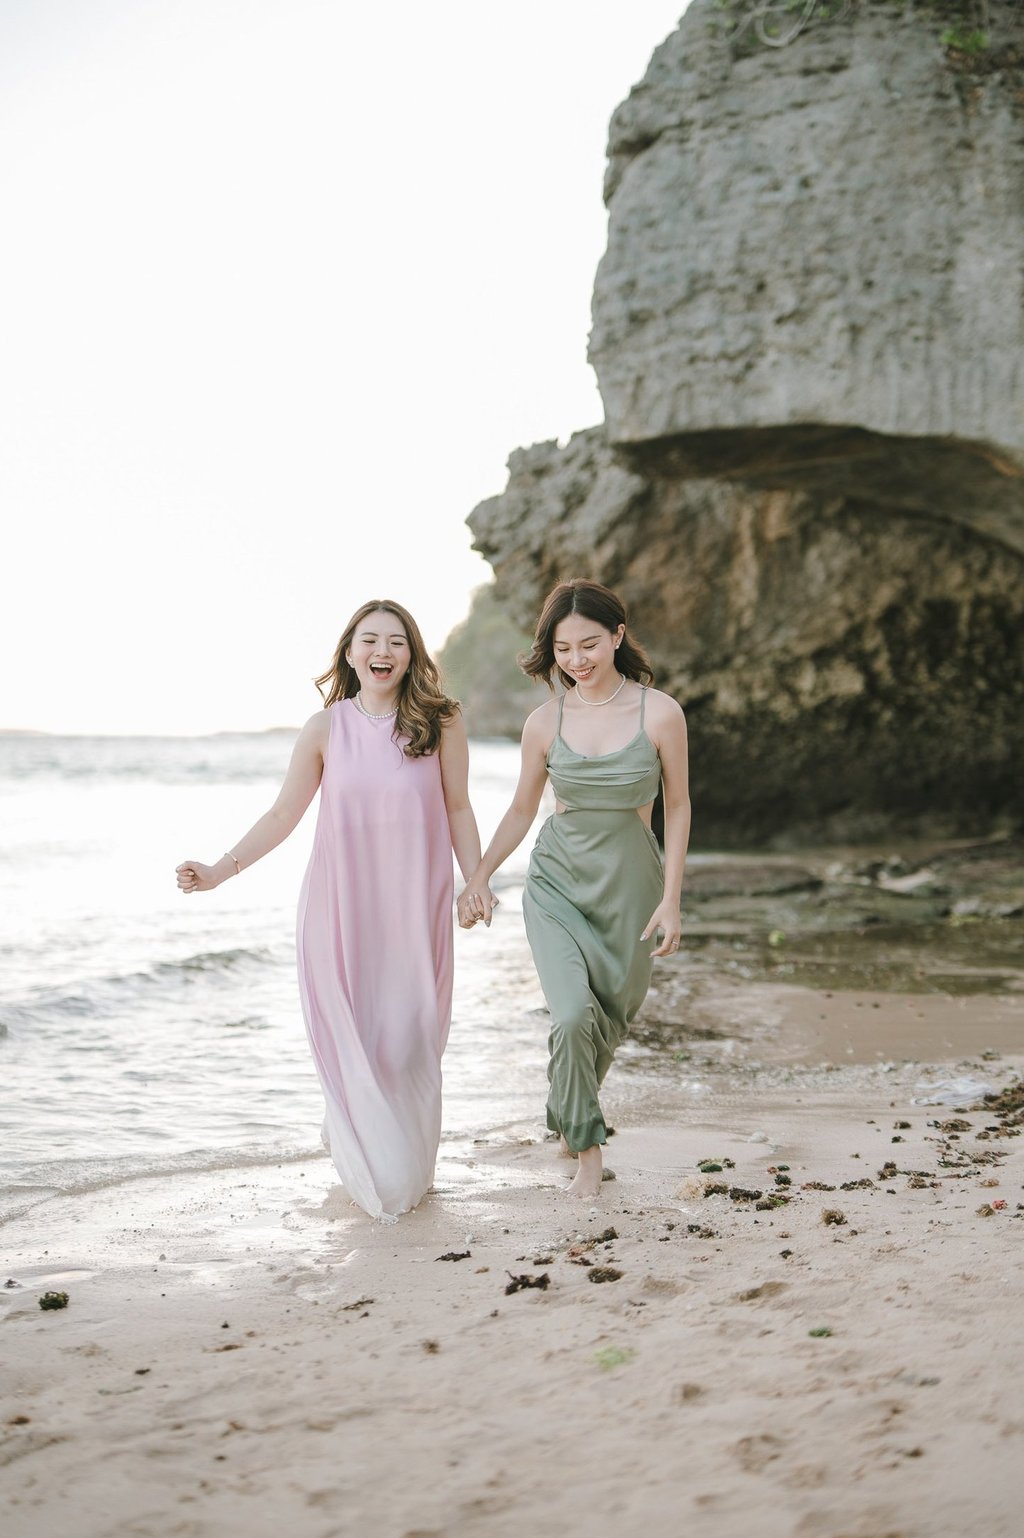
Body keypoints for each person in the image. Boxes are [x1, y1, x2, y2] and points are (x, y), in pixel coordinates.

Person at [176, 600, 490, 1222]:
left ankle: (405, 1155)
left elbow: (458, 808)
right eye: (370, 640)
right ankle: (367, 1149)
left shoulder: (441, 721)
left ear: (412, 654)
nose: (383, 651)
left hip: (413, 905)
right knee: (356, 1034)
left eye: (396, 642)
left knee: (409, 1039)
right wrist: (218, 871)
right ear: (349, 652)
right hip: (340, 908)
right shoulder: (325, 729)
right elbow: (282, 816)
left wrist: (475, 879)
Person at [458, 579, 690, 1200]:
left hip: (633, 889)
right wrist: (477, 877)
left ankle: (566, 1111)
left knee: (609, 1016)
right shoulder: (545, 721)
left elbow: (681, 805)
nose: (577, 660)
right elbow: (519, 810)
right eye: (563, 650)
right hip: (557, 883)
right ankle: (588, 1153)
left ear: (617, 636)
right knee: (570, 1014)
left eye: (589, 644)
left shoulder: (660, 712)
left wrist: (672, 898)